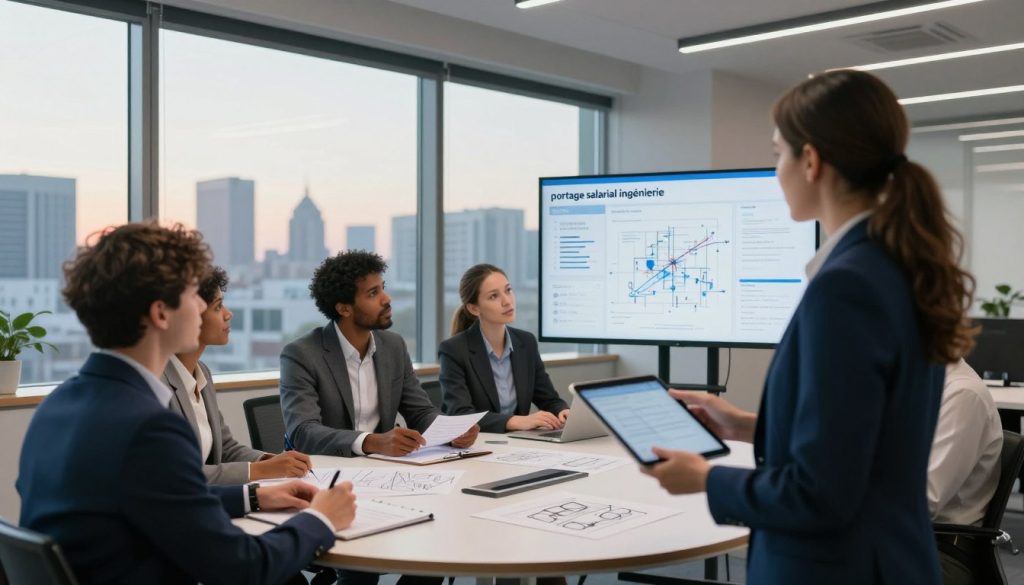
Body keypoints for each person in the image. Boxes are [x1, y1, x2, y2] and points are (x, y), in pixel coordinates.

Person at [641, 69, 977, 584]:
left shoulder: (846, 286)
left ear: (812, 161)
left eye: (779, 153)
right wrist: (746, 425)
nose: (777, 170)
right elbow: (869, 438)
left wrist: (705, 478)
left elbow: (820, 494)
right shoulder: (896, 266)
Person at [17, 222, 357, 585]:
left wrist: (254, 497)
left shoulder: (57, 405)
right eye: (195, 294)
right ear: (161, 313)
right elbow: (243, 568)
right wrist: (321, 518)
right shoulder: (148, 427)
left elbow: (162, 500)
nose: (202, 306)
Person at [280, 250, 478, 585]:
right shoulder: (303, 354)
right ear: (344, 308)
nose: (387, 299)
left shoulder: (392, 346)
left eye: (383, 288)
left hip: (389, 479)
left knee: (440, 544)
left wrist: (451, 430)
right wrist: (371, 442)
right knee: (361, 571)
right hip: (331, 481)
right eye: (373, 293)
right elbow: (303, 431)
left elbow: (419, 410)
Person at [163, 266, 314, 485]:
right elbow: (175, 475)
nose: (228, 314)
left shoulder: (201, 372)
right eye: (218, 307)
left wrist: (273, 461)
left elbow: (226, 449)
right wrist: (260, 470)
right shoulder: (159, 385)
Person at [440, 263, 569, 433]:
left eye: (508, 290)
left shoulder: (526, 342)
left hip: (518, 442)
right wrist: (514, 421)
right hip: (478, 443)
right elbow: (460, 414)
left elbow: (548, 399)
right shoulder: (454, 350)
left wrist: (562, 411)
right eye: (494, 296)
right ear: (474, 308)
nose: (507, 301)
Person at [930, 359, 1003, 585]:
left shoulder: (962, 395)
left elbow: (924, 500)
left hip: (944, 550)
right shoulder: (923, 387)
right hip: (915, 538)